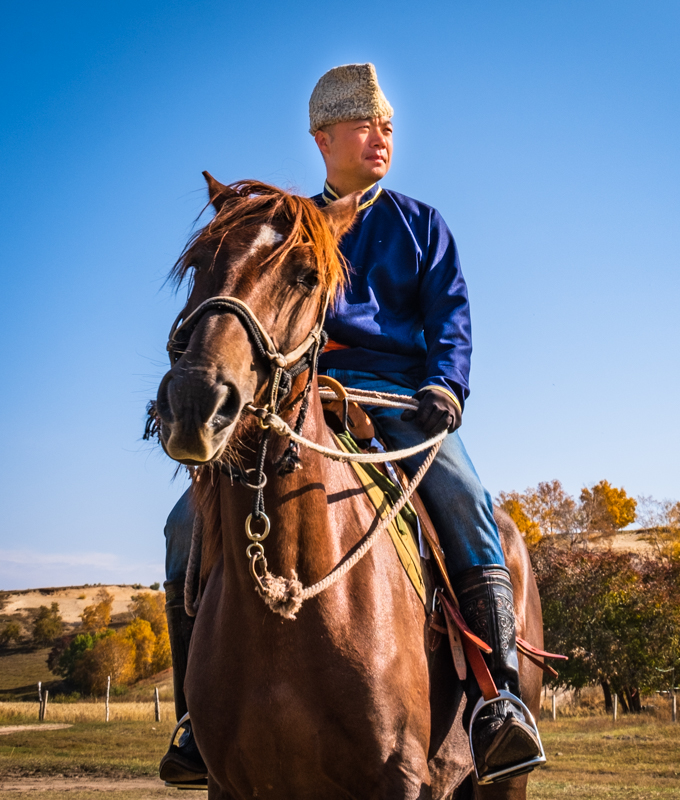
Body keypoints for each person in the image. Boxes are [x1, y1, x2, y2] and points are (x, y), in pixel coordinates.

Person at [159, 63, 540, 787]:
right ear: (323, 137)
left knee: (467, 503)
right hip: (302, 400)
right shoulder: (288, 230)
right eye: (366, 125)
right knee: (184, 523)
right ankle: (191, 713)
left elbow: (450, 318)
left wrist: (446, 387)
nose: (382, 137)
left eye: (388, 126)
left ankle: (499, 704)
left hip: (403, 404)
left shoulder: (421, 225)